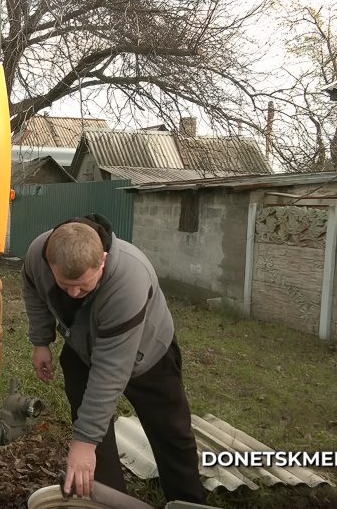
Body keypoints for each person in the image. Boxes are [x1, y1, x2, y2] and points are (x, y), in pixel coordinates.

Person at [22, 214, 206, 502]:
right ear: (49, 262)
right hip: (82, 345)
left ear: (103, 261)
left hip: (148, 354)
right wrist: (41, 341)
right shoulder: (38, 253)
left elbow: (110, 371)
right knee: (92, 433)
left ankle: (188, 502)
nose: (73, 293)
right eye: (65, 284)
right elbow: (33, 289)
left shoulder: (130, 279)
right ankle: (108, 500)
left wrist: (83, 442)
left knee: (171, 433)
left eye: (82, 285)